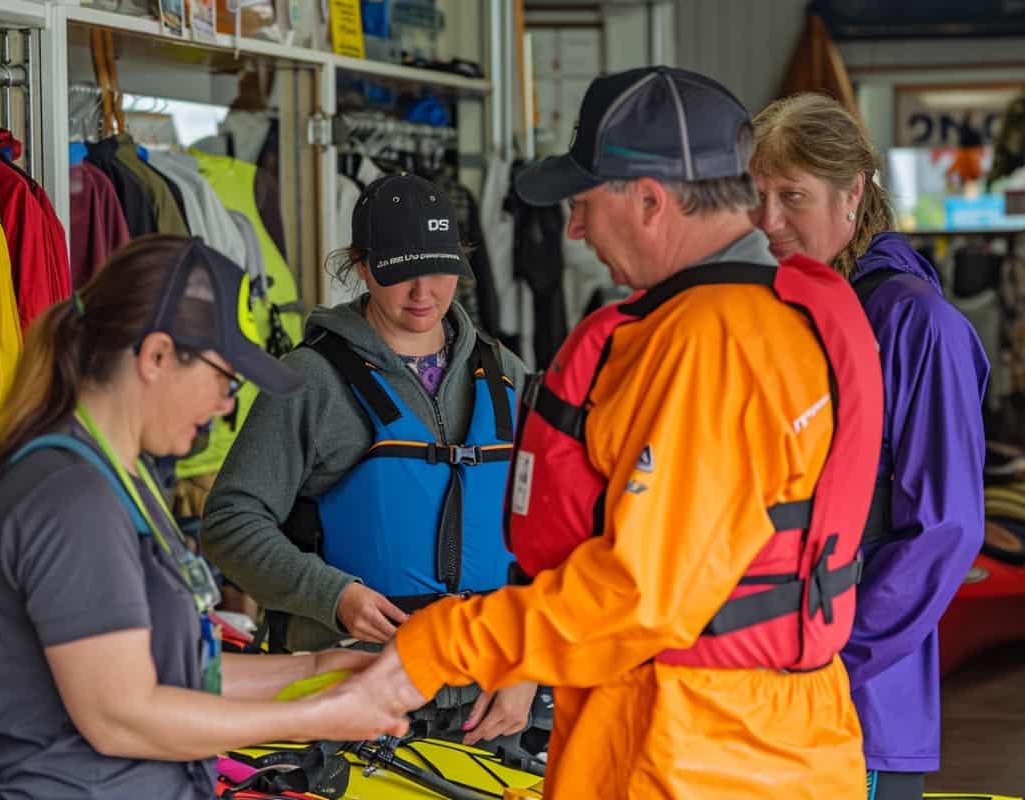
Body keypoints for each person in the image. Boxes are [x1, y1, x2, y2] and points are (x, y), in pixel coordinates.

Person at [344, 66, 888, 798]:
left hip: (697, 751)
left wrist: (435, 648)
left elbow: (642, 595)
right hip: (729, 735)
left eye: (583, 203)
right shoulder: (772, 314)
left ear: (651, 200)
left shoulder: (715, 344)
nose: (572, 228)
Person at [0, 236, 406, 800]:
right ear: (157, 356)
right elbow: (121, 715)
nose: (225, 406)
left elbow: (183, 671)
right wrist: (317, 714)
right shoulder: (70, 499)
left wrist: (318, 667)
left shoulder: (126, 480)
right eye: (225, 379)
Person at [201, 173, 538, 747]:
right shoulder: (310, 381)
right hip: (348, 699)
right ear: (360, 266)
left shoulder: (505, 372)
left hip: (489, 702)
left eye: (439, 270)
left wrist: (531, 663)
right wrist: (331, 595)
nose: (423, 293)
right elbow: (229, 523)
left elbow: (547, 535)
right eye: (399, 273)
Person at [750, 92, 989, 800]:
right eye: (757, 196)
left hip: (861, 706)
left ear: (853, 192)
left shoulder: (917, 326)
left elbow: (944, 529)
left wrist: (830, 659)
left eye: (791, 195)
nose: (768, 221)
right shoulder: (795, 311)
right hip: (773, 687)